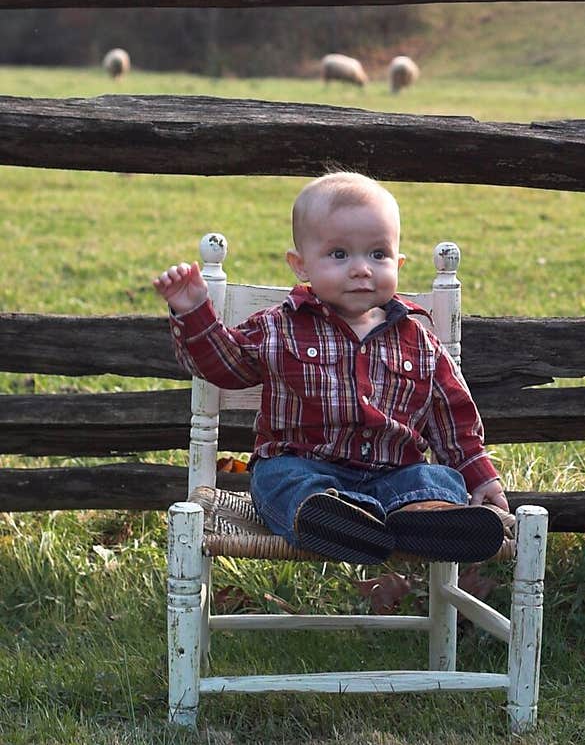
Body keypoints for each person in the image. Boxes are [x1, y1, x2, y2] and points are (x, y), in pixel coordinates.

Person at [152, 170, 512, 564]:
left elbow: (452, 418)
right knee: (280, 479)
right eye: (339, 254)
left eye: (378, 254)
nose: (361, 268)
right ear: (301, 265)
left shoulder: (419, 339)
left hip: (393, 475)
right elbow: (227, 366)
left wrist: (480, 475)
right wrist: (193, 312)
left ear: (399, 262)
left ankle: (423, 521)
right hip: (305, 467)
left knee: (435, 479)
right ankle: (336, 522)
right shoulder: (281, 326)